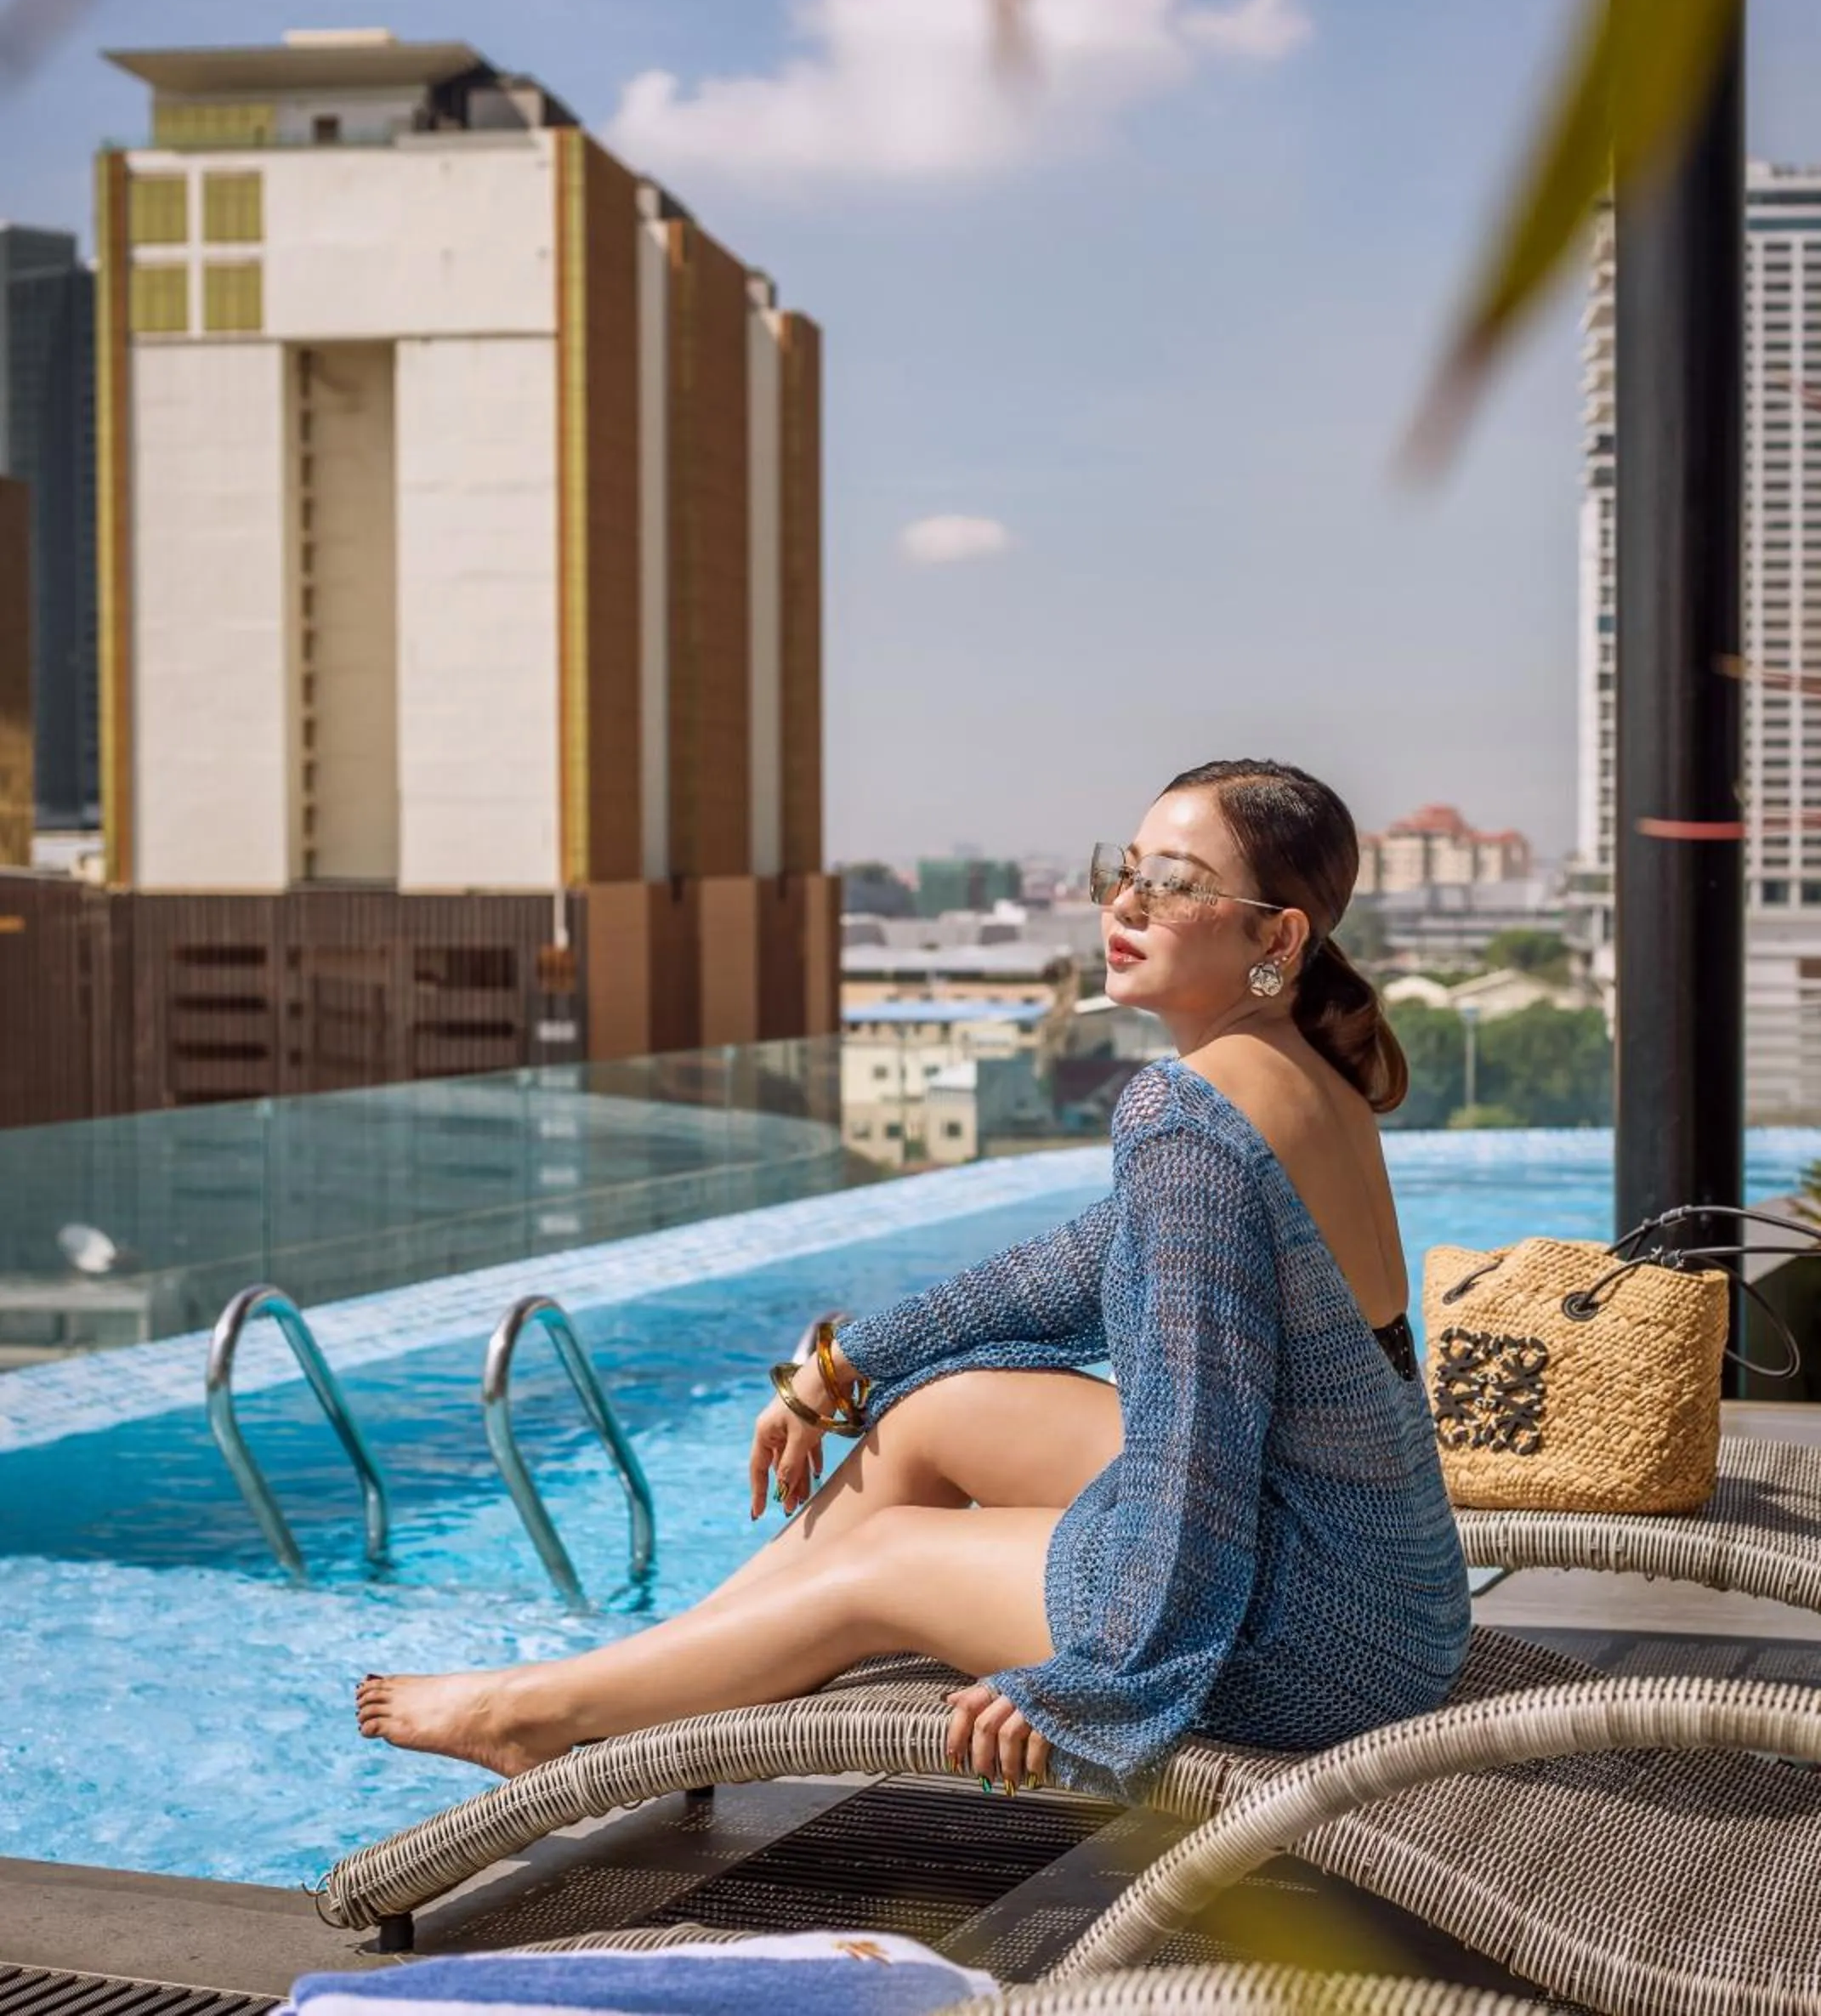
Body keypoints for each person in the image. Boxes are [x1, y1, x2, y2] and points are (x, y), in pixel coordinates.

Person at [357, 757, 1471, 1797]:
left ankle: (538, 1715)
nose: (1123, 908)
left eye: (1171, 886)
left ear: (1273, 935)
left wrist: (1101, 1680)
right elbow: (1073, 1270)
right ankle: (655, 1685)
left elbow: (1197, 1443)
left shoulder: (1188, 1114)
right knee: (937, 1415)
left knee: (885, 1562)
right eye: (1120, 874)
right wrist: (842, 1367)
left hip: (1307, 1639)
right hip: (1383, 1583)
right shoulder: (1290, 1073)